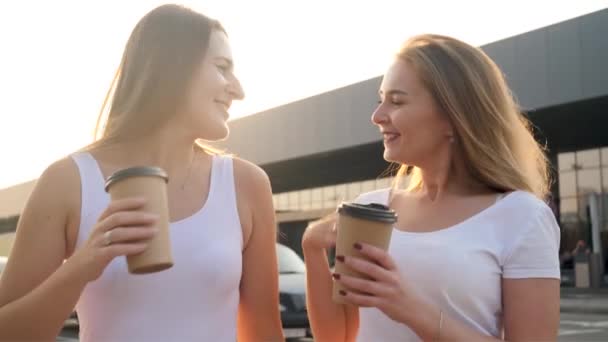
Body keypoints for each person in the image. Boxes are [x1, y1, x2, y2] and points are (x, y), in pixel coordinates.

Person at [0, 4, 284, 341]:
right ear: (170, 68)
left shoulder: (246, 184)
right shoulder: (68, 181)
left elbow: (264, 333)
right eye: (222, 68)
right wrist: (83, 266)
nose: (237, 89)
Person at [303, 34, 560, 341]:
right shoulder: (370, 211)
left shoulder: (522, 217)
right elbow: (337, 337)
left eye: (396, 101)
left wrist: (409, 308)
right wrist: (312, 250)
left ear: (453, 117)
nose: (377, 116)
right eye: (380, 99)